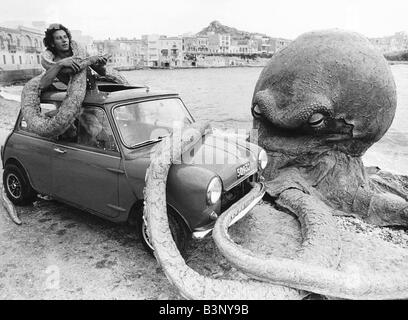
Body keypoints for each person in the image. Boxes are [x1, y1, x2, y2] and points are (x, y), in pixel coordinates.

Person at [39, 23, 109, 90]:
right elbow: (42, 85)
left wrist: (100, 64)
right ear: (52, 43)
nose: (64, 40)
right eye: (58, 38)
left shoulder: (81, 52)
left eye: (65, 37)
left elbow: (102, 72)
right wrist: (60, 64)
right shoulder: (52, 62)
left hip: (91, 92)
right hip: (69, 93)